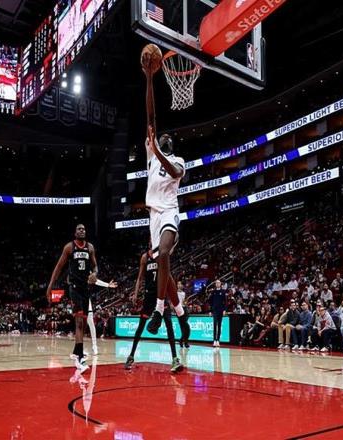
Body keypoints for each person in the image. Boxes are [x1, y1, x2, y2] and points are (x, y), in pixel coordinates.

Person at [141, 55, 190, 343]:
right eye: (162, 137)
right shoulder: (151, 153)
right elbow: (151, 117)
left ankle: (159, 310)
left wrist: (160, 153)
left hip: (170, 212)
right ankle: (181, 313)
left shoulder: (178, 160)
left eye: (169, 138)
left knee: (164, 255)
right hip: (153, 216)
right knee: (162, 265)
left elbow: (174, 172)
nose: (165, 137)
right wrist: (149, 78)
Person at [46, 224, 115, 373]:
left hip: (85, 289)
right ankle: (79, 358)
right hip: (74, 288)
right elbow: (58, 267)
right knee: (78, 322)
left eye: (84, 229)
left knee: (83, 324)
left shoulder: (90, 247)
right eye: (79, 229)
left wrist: (94, 274)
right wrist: (50, 286)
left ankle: (76, 351)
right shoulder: (69, 247)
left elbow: (95, 267)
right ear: (75, 232)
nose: (82, 230)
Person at [125, 247, 183, 372]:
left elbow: (168, 275)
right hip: (149, 296)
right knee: (141, 326)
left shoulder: (162, 255)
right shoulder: (145, 257)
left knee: (169, 325)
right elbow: (140, 278)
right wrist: (136, 293)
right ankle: (131, 356)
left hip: (161, 295)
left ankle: (175, 359)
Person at [209, 280, 227, 347]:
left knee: (219, 326)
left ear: (220, 284)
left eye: (218, 283)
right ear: (215, 284)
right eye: (216, 283)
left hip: (220, 311)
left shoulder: (223, 292)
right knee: (215, 325)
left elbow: (225, 302)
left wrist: (224, 310)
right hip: (215, 311)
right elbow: (210, 302)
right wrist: (210, 311)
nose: (217, 284)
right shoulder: (213, 292)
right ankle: (214, 340)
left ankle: (218, 340)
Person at [177, 281, 190, 348]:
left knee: (185, 327)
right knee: (184, 327)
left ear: (182, 285)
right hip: (179, 310)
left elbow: (185, 302)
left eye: (180, 284)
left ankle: (183, 341)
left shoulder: (184, 293)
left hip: (184, 310)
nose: (179, 285)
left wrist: (185, 303)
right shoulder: (175, 293)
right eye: (178, 284)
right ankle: (184, 341)